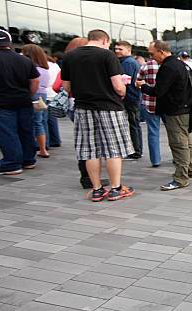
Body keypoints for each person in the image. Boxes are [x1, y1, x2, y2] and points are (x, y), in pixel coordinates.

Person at [62, 29, 135, 201]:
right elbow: (118, 86)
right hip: (109, 107)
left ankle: (97, 189)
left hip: (83, 108)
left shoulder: (70, 56)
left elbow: (66, 87)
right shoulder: (107, 56)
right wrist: (123, 90)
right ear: (105, 40)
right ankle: (116, 188)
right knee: (113, 150)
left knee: (90, 150)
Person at [136, 40, 192, 190]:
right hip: (184, 109)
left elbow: (158, 91)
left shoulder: (168, 67)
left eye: (152, 53)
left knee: (179, 144)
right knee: (185, 142)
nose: (151, 57)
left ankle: (181, 178)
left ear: (161, 52)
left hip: (175, 111)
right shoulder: (182, 64)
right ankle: (190, 170)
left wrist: (142, 86)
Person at [0, 29, 39, 176]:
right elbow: (34, 80)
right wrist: (28, 94)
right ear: (9, 43)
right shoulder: (24, 59)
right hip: (23, 100)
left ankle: (11, 164)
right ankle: (28, 160)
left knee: (7, 133)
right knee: (25, 131)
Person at [21, 44, 50, 159]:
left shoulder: (32, 68)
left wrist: (30, 94)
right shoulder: (44, 69)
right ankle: (43, 148)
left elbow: (34, 82)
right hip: (43, 95)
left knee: (35, 122)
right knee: (41, 121)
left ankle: (40, 149)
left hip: (34, 94)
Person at [114, 41, 142, 160]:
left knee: (133, 124)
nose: (117, 51)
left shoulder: (128, 63)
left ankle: (135, 150)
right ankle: (134, 149)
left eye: (120, 49)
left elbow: (125, 81)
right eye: (116, 49)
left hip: (130, 97)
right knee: (132, 124)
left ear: (128, 50)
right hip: (130, 97)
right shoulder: (127, 62)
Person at [138, 58, 161, 167]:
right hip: (167, 103)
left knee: (153, 132)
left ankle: (155, 160)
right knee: (173, 132)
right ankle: (177, 157)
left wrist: (144, 85)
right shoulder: (172, 65)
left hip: (150, 102)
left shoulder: (146, 65)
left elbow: (137, 82)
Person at [45, 54, 61, 148]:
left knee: (43, 120)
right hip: (54, 94)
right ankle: (55, 140)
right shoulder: (55, 65)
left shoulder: (42, 65)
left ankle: (45, 142)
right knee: (52, 119)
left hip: (46, 93)